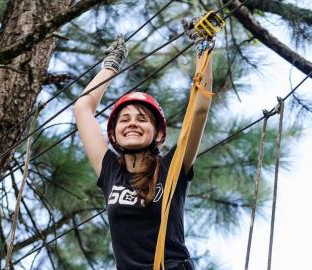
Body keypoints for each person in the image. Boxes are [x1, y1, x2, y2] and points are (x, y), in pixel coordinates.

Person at [73, 34, 213, 270]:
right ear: (115, 133)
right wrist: (111, 65)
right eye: (124, 119)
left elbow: (199, 109)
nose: (132, 124)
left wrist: (204, 49)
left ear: (158, 134)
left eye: (142, 119)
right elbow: (82, 107)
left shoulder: (172, 168)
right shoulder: (110, 171)